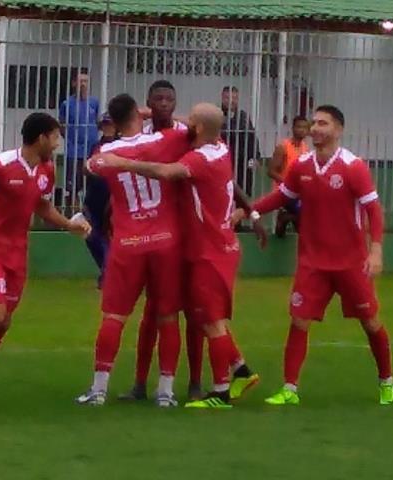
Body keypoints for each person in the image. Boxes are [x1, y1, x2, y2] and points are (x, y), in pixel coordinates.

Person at [96, 103, 261, 409]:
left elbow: (164, 171)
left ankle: (221, 391)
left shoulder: (198, 159)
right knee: (201, 315)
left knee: (209, 321)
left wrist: (121, 161)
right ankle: (238, 368)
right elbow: (203, 125)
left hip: (207, 250)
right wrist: (168, 118)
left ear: (196, 128)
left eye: (190, 120)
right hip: (214, 245)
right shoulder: (220, 147)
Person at [250, 105, 393, 406]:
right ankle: (289, 389)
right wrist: (249, 210)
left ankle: (387, 382)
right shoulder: (302, 165)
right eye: (314, 123)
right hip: (312, 262)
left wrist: (376, 250)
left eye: (323, 123)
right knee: (299, 321)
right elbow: (282, 196)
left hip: (351, 263)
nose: (315, 128)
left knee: (370, 322)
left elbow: (373, 209)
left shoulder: (353, 166)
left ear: (338, 130)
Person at [0, 113, 92, 404]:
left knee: (4, 322)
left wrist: (68, 224)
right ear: (41, 138)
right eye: (55, 137)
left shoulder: (47, 170)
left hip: (17, 253)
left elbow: (42, 207)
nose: (58, 143)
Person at [76, 94, 192, 408]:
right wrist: (151, 113)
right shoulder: (164, 140)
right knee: (168, 317)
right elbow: (195, 127)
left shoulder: (105, 152)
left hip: (127, 243)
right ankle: (165, 391)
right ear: (139, 114)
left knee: (114, 316)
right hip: (165, 239)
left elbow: (91, 167)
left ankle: (99, 389)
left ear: (113, 120)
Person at [115, 80, 205, 403]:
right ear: (149, 104)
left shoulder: (186, 134)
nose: (165, 103)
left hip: (187, 231)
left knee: (194, 312)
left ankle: (195, 382)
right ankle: (140, 383)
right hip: (154, 234)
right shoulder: (141, 134)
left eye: (170, 98)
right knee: (153, 311)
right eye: (159, 99)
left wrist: (244, 209)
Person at [82, 114, 116, 289]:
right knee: (90, 236)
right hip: (94, 196)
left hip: (111, 197)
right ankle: (107, 271)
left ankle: (108, 275)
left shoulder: (119, 146)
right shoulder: (96, 146)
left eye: (110, 124)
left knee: (108, 237)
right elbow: (87, 167)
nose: (107, 128)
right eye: (105, 125)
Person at [59, 68, 99, 202]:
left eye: (86, 81)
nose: (83, 84)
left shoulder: (94, 102)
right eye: (81, 81)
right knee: (73, 182)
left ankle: (88, 205)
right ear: (74, 83)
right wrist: (72, 139)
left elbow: (97, 121)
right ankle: (71, 207)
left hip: (91, 148)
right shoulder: (67, 104)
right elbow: (62, 125)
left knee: (91, 179)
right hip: (74, 149)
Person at [267, 116, 310, 237]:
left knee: (303, 220)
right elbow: (271, 171)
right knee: (303, 216)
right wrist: (288, 183)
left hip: (298, 192)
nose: (301, 130)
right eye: (298, 127)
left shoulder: (305, 148)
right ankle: (285, 218)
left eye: (304, 127)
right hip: (283, 191)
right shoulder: (283, 147)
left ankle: (285, 219)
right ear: (293, 128)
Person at [220, 86, 261, 198]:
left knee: (242, 196)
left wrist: (255, 158)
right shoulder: (216, 115)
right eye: (227, 98)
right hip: (223, 161)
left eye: (234, 98)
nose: (231, 101)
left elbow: (252, 138)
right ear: (222, 98)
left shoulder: (243, 117)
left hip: (242, 164)